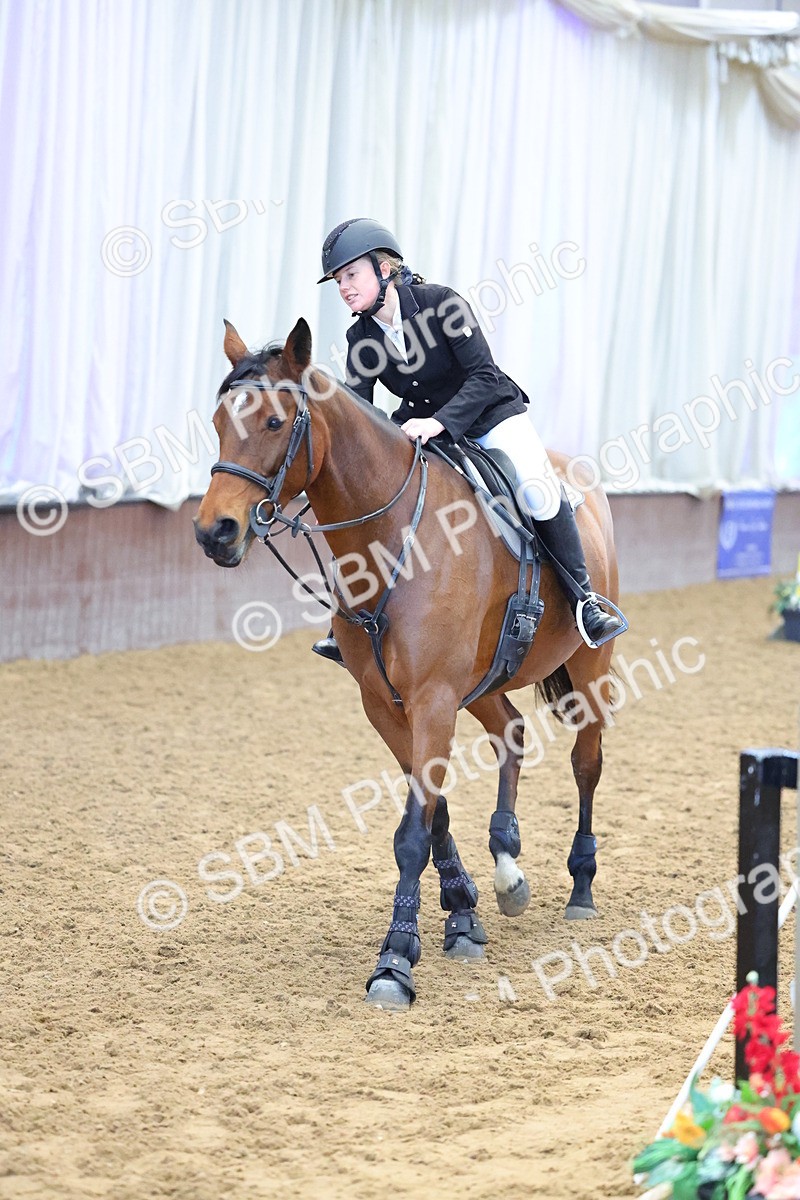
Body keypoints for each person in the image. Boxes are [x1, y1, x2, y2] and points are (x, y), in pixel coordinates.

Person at [312, 217, 625, 663]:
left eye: (351, 275)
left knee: (537, 490)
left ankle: (585, 601)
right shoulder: (360, 337)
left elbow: (483, 375)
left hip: (489, 413)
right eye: (338, 280)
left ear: (384, 269)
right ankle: (350, 613)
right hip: (422, 426)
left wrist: (438, 422)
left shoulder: (443, 305)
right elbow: (361, 415)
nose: (343, 287)